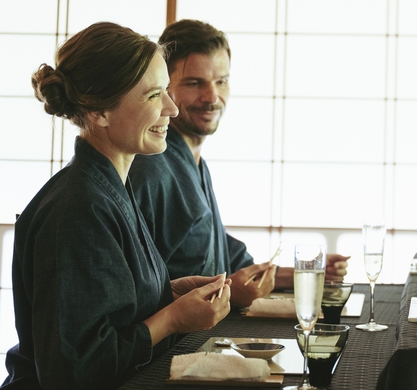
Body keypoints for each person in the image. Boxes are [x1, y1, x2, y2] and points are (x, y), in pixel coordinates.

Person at [3, 22, 231, 390]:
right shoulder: (79, 208)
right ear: (100, 112)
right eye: (154, 95)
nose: (171, 109)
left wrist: (168, 293)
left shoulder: (109, 187)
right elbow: (76, 369)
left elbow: (110, 310)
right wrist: (172, 318)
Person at [129, 19, 349, 309]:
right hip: (176, 340)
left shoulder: (193, 161)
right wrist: (231, 295)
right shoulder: (152, 168)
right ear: (164, 87)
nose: (212, 97)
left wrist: (296, 273)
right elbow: (138, 287)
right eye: (194, 83)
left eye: (221, 81)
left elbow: (216, 251)